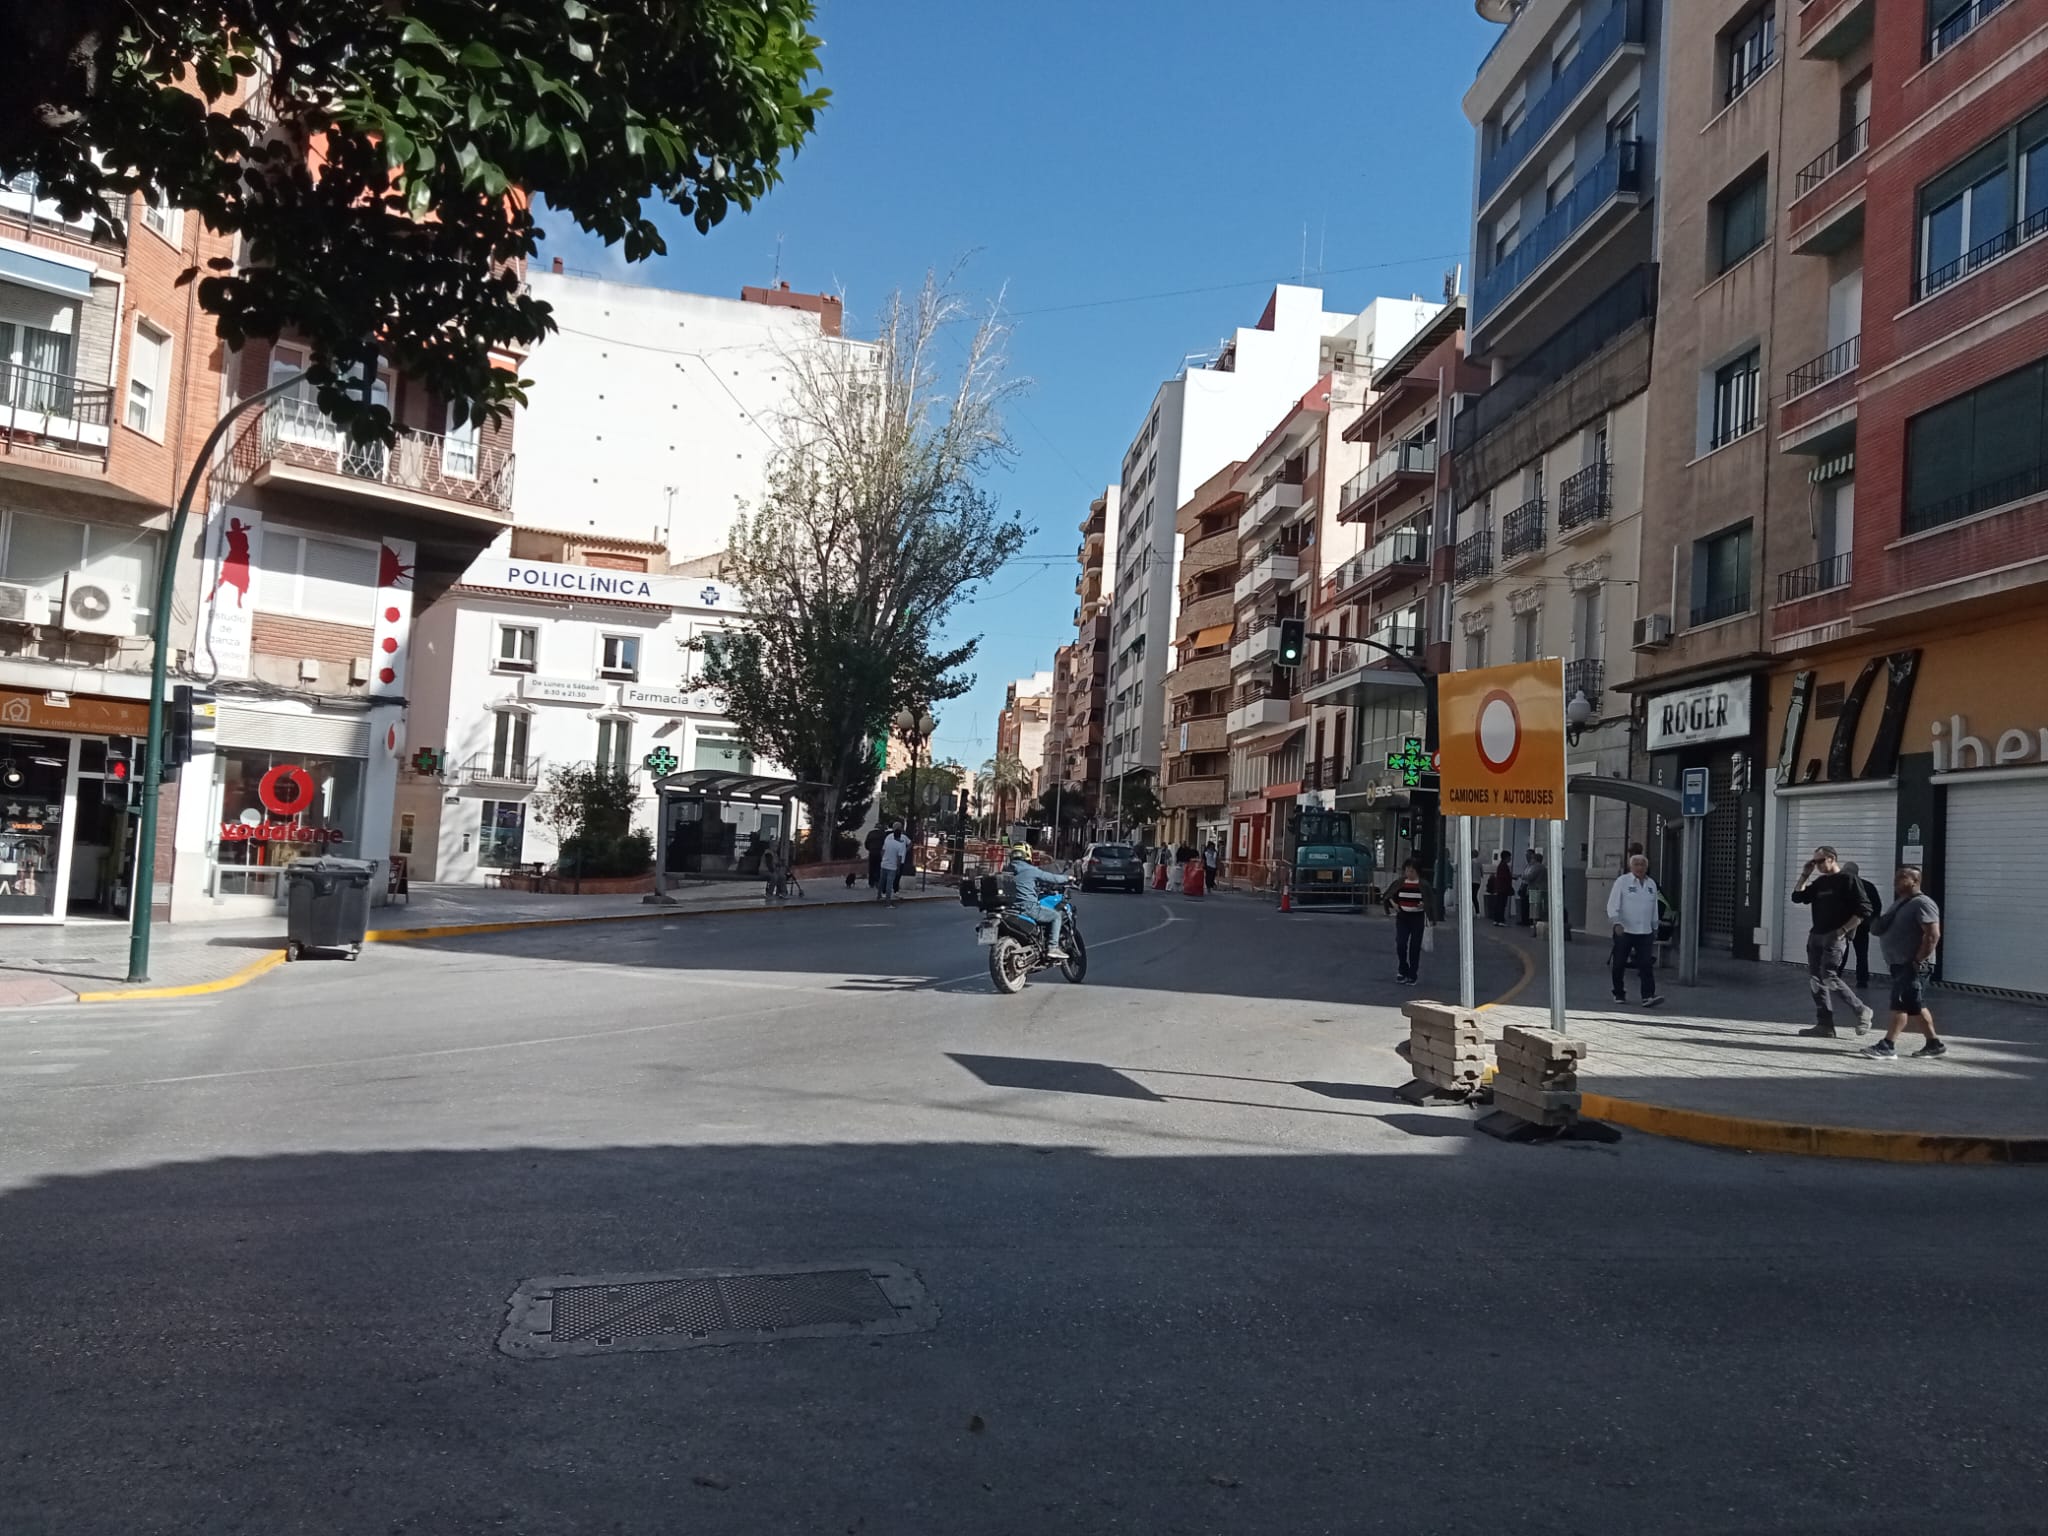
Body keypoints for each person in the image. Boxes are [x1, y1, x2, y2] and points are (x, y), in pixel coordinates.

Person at [1861, 866, 1947, 1060]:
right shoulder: (1902, 902)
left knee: (1900, 1003)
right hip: (1900, 963)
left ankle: (1888, 1045)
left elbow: (1933, 935)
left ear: (1915, 881)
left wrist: (1918, 960)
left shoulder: (1923, 903)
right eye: (1896, 877)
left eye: (1902, 878)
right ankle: (1934, 1044)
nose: (1896, 881)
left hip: (1912, 964)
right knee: (1915, 1004)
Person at [1790, 844, 1876, 1038]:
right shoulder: (1821, 882)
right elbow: (1797, 897)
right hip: (1816, 936)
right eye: (1815, 862)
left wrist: (1843, 930)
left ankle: (1861, 1010)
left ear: (1832, 859)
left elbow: (1865, 910)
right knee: (1815, 980)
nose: (1818, 865)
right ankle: (1825, 1024)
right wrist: (1805, 874)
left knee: (1829, 976)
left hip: (1834, 938)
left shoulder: (1849, 880)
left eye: (1820, 861)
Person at [1605, 853, 1666, 1007]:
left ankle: (1648, 996)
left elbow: (1654, 908)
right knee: (1619, 963)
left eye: (1643, 865)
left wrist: (1655, 926)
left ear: (1647, 867)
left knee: (1645, 963)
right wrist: (1616, 922)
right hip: (1625, 930)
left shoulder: (1651, 884)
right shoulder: (1622, 881)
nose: (1640, 867)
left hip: (1645, 931)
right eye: (1636, 864)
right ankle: (1618, 992)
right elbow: (1613, 904)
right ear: (1630, 867)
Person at [1009, 842, 1073, 959]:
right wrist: (1068, 878)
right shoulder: (1031, 870)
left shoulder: (1007, 869)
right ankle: (1053, 947)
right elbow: (1052, 878)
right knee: (1056, 916)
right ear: (1027, 855)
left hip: (1010, 909)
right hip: (1028, 908)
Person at [1384, 858, 1431, 986]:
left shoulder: (1423, 885)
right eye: (1407, 871)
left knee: (1415, 947)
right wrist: (1393, 904)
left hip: (1417, 917)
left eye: (1411, 871)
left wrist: (1424, 905)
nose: (1409, 873)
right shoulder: (1400, 883)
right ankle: (1402, 969)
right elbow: (1388, 895)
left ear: (1417, 872)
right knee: (1401, 943)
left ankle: (1412, 973)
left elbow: (1430, 900)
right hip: (1403, 916)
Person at [1844, 860, 1884, 990]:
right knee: (1861, 954)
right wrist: (1869, 921)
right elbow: (1877, 906)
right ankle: (1862, 980)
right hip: (1861, 925)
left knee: (1841, 953)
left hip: (1844, 926)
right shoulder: (1868, 886)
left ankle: (1835, 977)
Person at [878, 822, 910, 905]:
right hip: (892, 863)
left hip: (889, 862)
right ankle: (887, 900)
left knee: (887, 879)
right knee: (889, 881)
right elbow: (897, 857)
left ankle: (886, 893)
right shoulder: (893, 840)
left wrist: (883, 859)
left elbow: (883, 850)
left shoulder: (901, 838)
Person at [1487, 852, 1515, 927]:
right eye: (1509, 857)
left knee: (1498, 904)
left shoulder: (1500, 865)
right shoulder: (1504, 866)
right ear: (1506, 857)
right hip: (1503, 888)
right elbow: (1506, 877)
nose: (1510, 859)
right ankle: (1500, 920)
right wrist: (1512, 878)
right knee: (1502, 904)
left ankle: (1496, 919)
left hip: (1500, 887)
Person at [1517, 849, 1544, 927]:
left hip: (1534, 887)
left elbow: (1530, 876)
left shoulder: (1537, 867)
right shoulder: (1528, 866)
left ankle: (1530, 921)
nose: (1528, 858)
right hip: (1527, 886)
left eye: (1530, 856)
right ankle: (1525, 920)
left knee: (1531, 905)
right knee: (1525, 904)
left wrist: (1522, 876)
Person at [865, 824, 886, 892]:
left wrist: (870, 849)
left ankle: (871, 882)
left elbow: (866, 843)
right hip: (879, 852)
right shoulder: (882, 834)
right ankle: (877, 881)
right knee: (878, 867)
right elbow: (884, 843)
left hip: (872, 852)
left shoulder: (870, 833)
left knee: (871, 867)